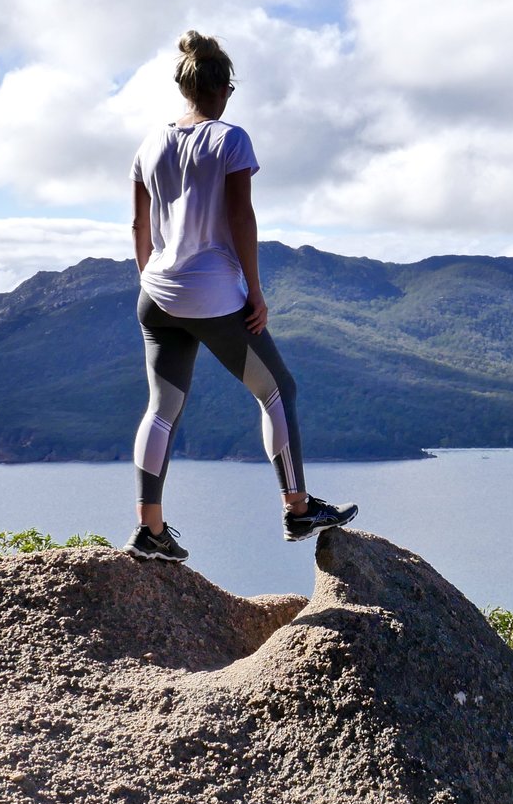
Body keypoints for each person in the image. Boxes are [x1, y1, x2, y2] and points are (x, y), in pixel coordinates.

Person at [124, 30, 357, 562]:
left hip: (157, 293)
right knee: (278, 391)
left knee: (161, 410)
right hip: (213, 295)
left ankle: (149, 529)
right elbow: (240, 217)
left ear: (185, 88)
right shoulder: (230, 139)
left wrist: (151, 276)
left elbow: (139, 222)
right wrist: (255, 290)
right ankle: (298, 510)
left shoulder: (150, 143)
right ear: (224, 88)